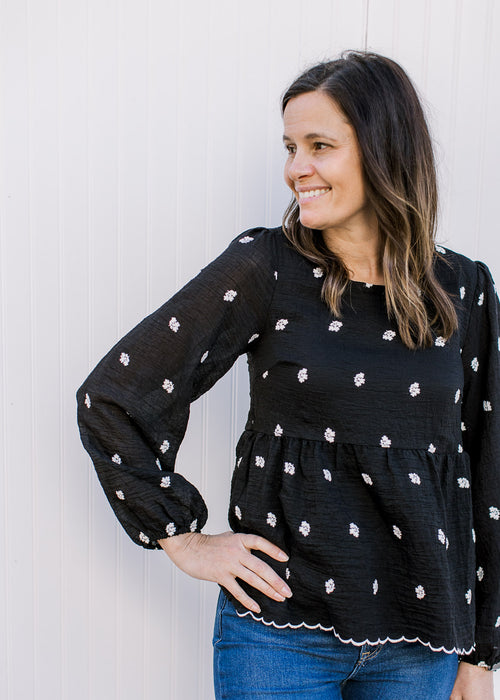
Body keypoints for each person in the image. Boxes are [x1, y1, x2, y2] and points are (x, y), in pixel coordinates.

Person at [77, 51, 499, 699]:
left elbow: (487, 467)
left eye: (319, 146)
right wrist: (181, 536)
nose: (295, 169)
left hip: (423, 643)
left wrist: (482, 652)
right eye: (291, 147)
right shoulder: (265, 268)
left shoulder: (463, 289)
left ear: (386, 150)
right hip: (282, 636)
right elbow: (117, 393)